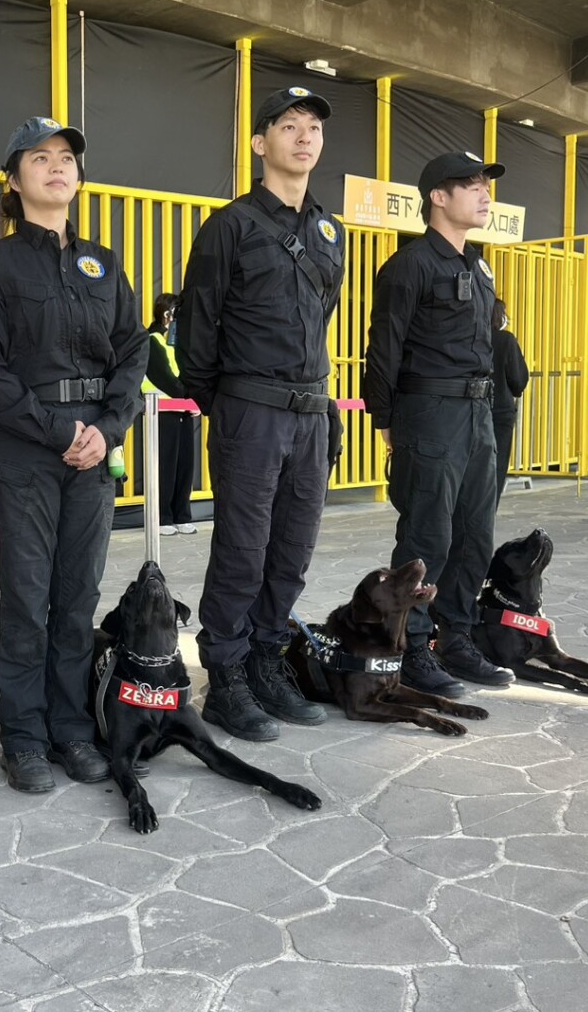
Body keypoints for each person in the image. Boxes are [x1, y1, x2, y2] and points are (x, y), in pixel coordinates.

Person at [0, 116, 148, 793]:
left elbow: (133, 350)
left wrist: (109, 428)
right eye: (40, 157)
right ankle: (23, 735)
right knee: (26, 599)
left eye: (66, 156)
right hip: (24, 454)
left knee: (77, 599)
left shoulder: (104, 263)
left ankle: (71, 728)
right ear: (14, 181)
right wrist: (58, 432)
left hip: (93, 448)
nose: (56, 167)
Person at [175, 86, 344, 742]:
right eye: (289, 126)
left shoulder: (329, 229)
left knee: (292, 550)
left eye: (314, 128)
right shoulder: (231, 225)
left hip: (311, 411)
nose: (304, 137)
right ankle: (226, 676)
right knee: (242, 551)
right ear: (259, 142)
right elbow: (199, 328)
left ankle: (267, 662)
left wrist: (318, 405)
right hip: (251, 411)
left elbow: (320, 319)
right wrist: (228, 406)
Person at [362, 151, 516, 698]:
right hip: (429, 410)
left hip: (478, 412)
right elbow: (383, 346)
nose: (484, 195)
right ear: (438, 197)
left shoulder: (478, 265)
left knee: (476, 532)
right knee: (428, 535)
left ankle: (455, 637)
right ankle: (409, 646)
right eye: (472, 185)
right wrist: (385, 418)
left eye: (486, 185)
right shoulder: (410, 265)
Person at [143, 293, 199, 535]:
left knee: (185, 466)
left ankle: (181, 515)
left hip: (183, 411)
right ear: (167, 315)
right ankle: (162, 518)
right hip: (162, 412)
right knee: (165, 466)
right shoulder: (151, 340)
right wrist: (190, 397)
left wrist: (194, 400)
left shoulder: (176, 343)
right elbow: (165, 379)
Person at [491, 298, 529, 505]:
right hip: (499, 412)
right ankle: (486, 515)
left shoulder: (464, 337)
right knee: (496, 467)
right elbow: (518, 379)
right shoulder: (505, 340)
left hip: (464, 410)